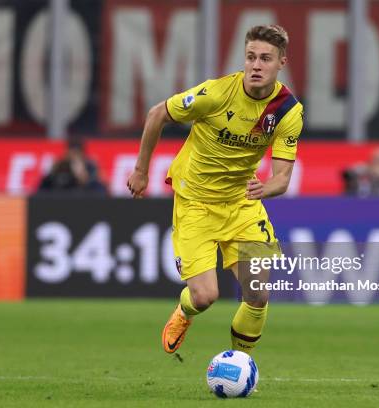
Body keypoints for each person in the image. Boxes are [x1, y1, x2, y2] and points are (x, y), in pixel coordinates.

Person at [127, 25, 303, 355]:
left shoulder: (286, 111)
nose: (255, 65)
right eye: (250, 57)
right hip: (195, 202)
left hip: (241, 203)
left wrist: (265, 189)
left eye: (265, 58)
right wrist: (141, 171)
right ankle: (184, 311)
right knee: (205, 297)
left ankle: (240, 364)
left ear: (281, 62)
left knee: (258, 294)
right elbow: (156, 114)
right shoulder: (217, 94)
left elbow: (282, 178)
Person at [38, 141, 107, 195]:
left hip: (84, 198)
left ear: (82, 153)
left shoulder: (90, 165)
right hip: (63, 197)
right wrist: (56, 169)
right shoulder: (61, 165)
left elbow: (93, 185)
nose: (73, 156)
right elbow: (48, 183)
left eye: (76, 153)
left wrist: (80, 173)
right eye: (71, 153)